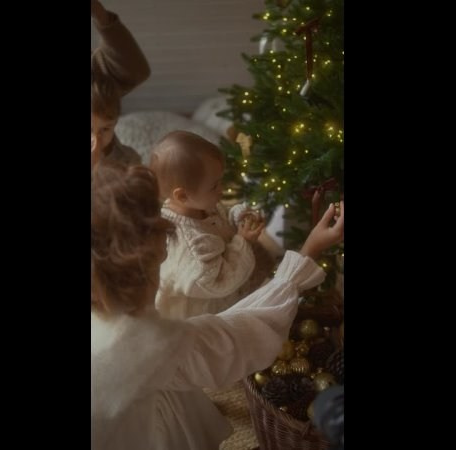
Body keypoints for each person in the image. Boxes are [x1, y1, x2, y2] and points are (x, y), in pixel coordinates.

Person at [91, 159, 344, 449]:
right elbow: (240, 334)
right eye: (158, 264)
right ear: (135, 278)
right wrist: (308, 252)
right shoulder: (156, 343)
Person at [149, 130, 275, 319]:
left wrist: (238, 217)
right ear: (182, 196)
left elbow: (220, 222)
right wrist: (243, 242)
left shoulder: (198, 205)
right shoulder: (189, 245)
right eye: (214, 186)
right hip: (198, 317)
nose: (222, 190)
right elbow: (221, 281)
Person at [91, 0, 150, 169]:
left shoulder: (126, 161)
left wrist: (101, 16)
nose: (97, 141)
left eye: (105, 129)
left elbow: (136, 70)